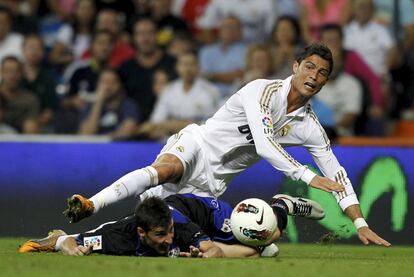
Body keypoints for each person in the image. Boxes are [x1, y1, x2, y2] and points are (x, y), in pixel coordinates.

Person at [65, 43, 390, 247]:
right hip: (197, 146)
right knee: (166, 169)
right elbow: (264, 145)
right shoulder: (261, 92)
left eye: (322, 73)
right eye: (309, 67)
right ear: (295, 66)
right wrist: (306, 176)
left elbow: (338, 175)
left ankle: (283, 207)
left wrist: (360, 223)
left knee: (260, 247)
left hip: (211, 187)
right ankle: (92, 203)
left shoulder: (310, 128)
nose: (314, 76)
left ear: (325, 82)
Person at [24, 193, 324, 257]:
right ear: (142, 232)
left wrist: (199, 253)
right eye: (161, 235)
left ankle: (281, 206)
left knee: (266, 244)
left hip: (205, 212)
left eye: (169, 232)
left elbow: (218, 253)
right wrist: (64, 243)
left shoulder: (178, 227)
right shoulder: (119, 237)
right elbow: (74, 241)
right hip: (171, 213)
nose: (169, 238)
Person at [136, 51, 220, 141]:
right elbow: (156, 120)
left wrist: (175, 125)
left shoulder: (210, 90)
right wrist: (174, 125)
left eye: (192, 64)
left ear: (198, 67)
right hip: (170, 140)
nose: (188, 69)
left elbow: (214, 124)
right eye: (184, 64)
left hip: (199, 140)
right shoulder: (168, 90)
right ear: (177, 67)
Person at [78, 69, 140, 140]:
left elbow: (128, 131)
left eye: (111, 82)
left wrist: (105, 138)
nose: (107, 86)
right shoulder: (90, 106)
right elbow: (86, 134)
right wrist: (98, 102)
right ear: (97, 84)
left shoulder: (128, 104)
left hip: (118, 147)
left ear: (120, 85)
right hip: (94, 148)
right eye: (103, 82)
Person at [0, 56, 40, 133]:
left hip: (21, 139)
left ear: (21, 73)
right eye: (8, 71)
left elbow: (31, 125)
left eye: (16, 71)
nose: (12, 75)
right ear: (1, 72)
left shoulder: (30, 99)